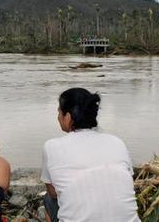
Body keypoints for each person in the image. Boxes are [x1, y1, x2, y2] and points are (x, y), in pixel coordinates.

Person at [41, 88, 140, 222]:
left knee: (49, 199)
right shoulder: (117, 142)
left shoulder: (51, 146)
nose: (58, 117)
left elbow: (53, 192)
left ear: (68, 117)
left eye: (59, 112)